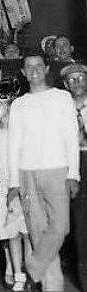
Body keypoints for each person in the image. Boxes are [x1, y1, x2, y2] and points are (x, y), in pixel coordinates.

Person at [8, 54, 80, 292]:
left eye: (38, 66)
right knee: (38, 233)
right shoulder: (18, 104)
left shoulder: (62, 98)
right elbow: (13, 145)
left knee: (60, 228)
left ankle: (33, 265)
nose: (34, 70)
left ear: (47, 68)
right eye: (29, 67)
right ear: (23, 71)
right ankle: (53, 287)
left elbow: (72, 138)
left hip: (57, 171)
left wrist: (74, 174)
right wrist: (13, 182)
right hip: (27, 173)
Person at [0, 84, 29, 292]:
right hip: (4, 186)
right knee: (11, 232)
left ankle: (29, 274)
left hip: (22, 184)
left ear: (11, 106)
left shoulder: (19, 128)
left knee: (26, 232)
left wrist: (18, 188)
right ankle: (16, 273)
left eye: (1, 104)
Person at [62, 61, 87, 292]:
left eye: (80, 77)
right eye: (71, 80)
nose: (76, 82)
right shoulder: (62, 109)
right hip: (74, 164)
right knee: (81, 225)